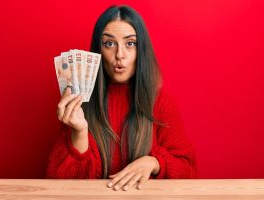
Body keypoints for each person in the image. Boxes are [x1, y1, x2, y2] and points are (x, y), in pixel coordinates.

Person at [46, 5, 197, 191]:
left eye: (130, 43)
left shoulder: (161, 104)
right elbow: (58, 182)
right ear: (98, 51)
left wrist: (155, 163)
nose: (119, 55)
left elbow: (189, 170)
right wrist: (79, 132)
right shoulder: (79, 103)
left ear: (141, 50)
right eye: (109, 44)